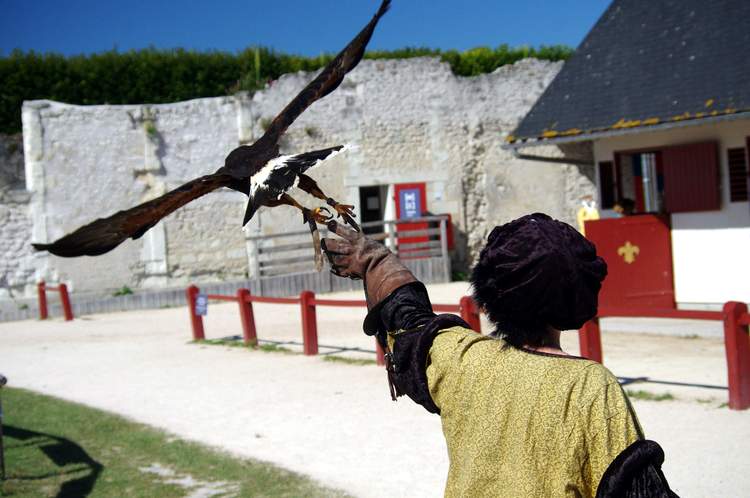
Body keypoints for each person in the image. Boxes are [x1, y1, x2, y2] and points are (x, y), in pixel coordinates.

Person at [321, 213, 677, 498]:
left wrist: (376, 260)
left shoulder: (463, 358)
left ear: (492, 289)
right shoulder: (589, 387)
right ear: (577, 296)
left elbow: (410, 323)